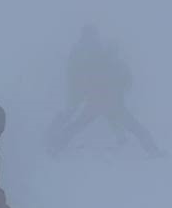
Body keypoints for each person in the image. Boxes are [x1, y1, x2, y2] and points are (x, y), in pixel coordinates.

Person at [48, 24, 163, 157]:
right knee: (134, 127)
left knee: (78, 126)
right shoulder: (107, 64)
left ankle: (55, 147)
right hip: (105, 104)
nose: (114, 54)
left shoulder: (103, 64)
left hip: (103, 104)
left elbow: (126, 82)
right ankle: (152, 150)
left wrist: (88, 93)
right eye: (113, 52)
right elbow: (125, 83)